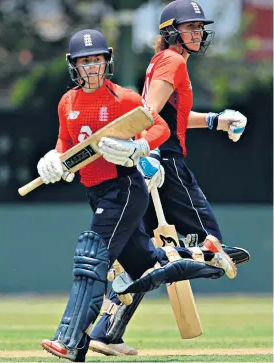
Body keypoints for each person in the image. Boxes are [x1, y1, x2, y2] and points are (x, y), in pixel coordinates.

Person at [39, 28, 234, 362]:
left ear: (107, 61)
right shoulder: (67, 102)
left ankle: (70, 341)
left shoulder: (124, 99)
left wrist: (139, 148)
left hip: (125, 190)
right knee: (143, 267)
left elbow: (160, 127)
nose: (92, 68)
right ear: (74, 65)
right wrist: (55, 161)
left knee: (92, 256)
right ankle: (197, 256)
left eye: (97, 60)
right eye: (85, 62)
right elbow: (66, 145)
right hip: (96, 192)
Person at [89, 0, 250, 357]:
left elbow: (169, 114)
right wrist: (150, 151)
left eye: (199, 27)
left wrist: (214, 120)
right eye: (190, 27)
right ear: (170, 32)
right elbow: (147, 114)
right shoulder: (172, 61)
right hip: (169, 165)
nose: (198, 32)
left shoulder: (165, 62)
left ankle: (106, 331)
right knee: (217, 252)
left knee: (139, 260)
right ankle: (167, 257)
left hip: (157, 160)